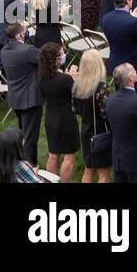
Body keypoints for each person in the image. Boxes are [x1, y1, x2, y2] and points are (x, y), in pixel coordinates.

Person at [105, 63, 137, 183]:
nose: (136, 71)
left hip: (118, 157)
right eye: (134, 69)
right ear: (131, 78)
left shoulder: (110, 100)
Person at [0, 22, 43, 164]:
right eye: (24, 31)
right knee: (30, 138)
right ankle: (30, 167)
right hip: (30, 99)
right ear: (20, 35)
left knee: (22, 134)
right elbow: (45, 61)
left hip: (15, 97)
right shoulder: (28, 50)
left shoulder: (5, 50)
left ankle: (19, 162)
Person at [38, 43, 79, 181]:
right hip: (66, 120)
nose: (63, 56)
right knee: (69, 156)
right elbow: (76, 96)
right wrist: (74, 79)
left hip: (50, 118)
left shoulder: (41, 76)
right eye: (61, 54)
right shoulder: (64, 79)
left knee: (53, 154)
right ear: (55, 58)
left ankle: (52, 181)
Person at [73, 48, 112, 183]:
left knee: (88, 170)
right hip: (100, 133)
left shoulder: (77, 85)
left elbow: (75, 109)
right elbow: (106, 112)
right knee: (104, 174)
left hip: (85, 130)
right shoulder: (101, 87)